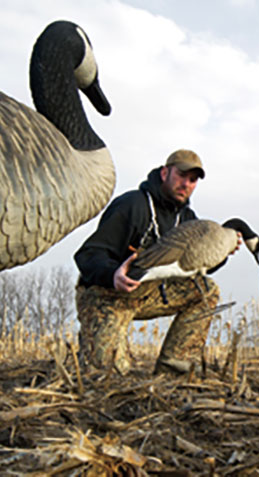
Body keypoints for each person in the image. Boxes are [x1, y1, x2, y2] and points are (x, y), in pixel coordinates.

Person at [74, 149, 231, 376]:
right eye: (181, 175)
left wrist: (223, 253)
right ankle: (97, 336)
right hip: (106, 294)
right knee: (107, 377)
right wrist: (113, 275)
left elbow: (195, 267)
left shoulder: (188, 221)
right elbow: (88, 255)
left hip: (149, 294)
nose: (186, 184)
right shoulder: (132, 205)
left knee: (205, 290)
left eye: (192, 180)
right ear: (165, 172)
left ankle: (173, 369)